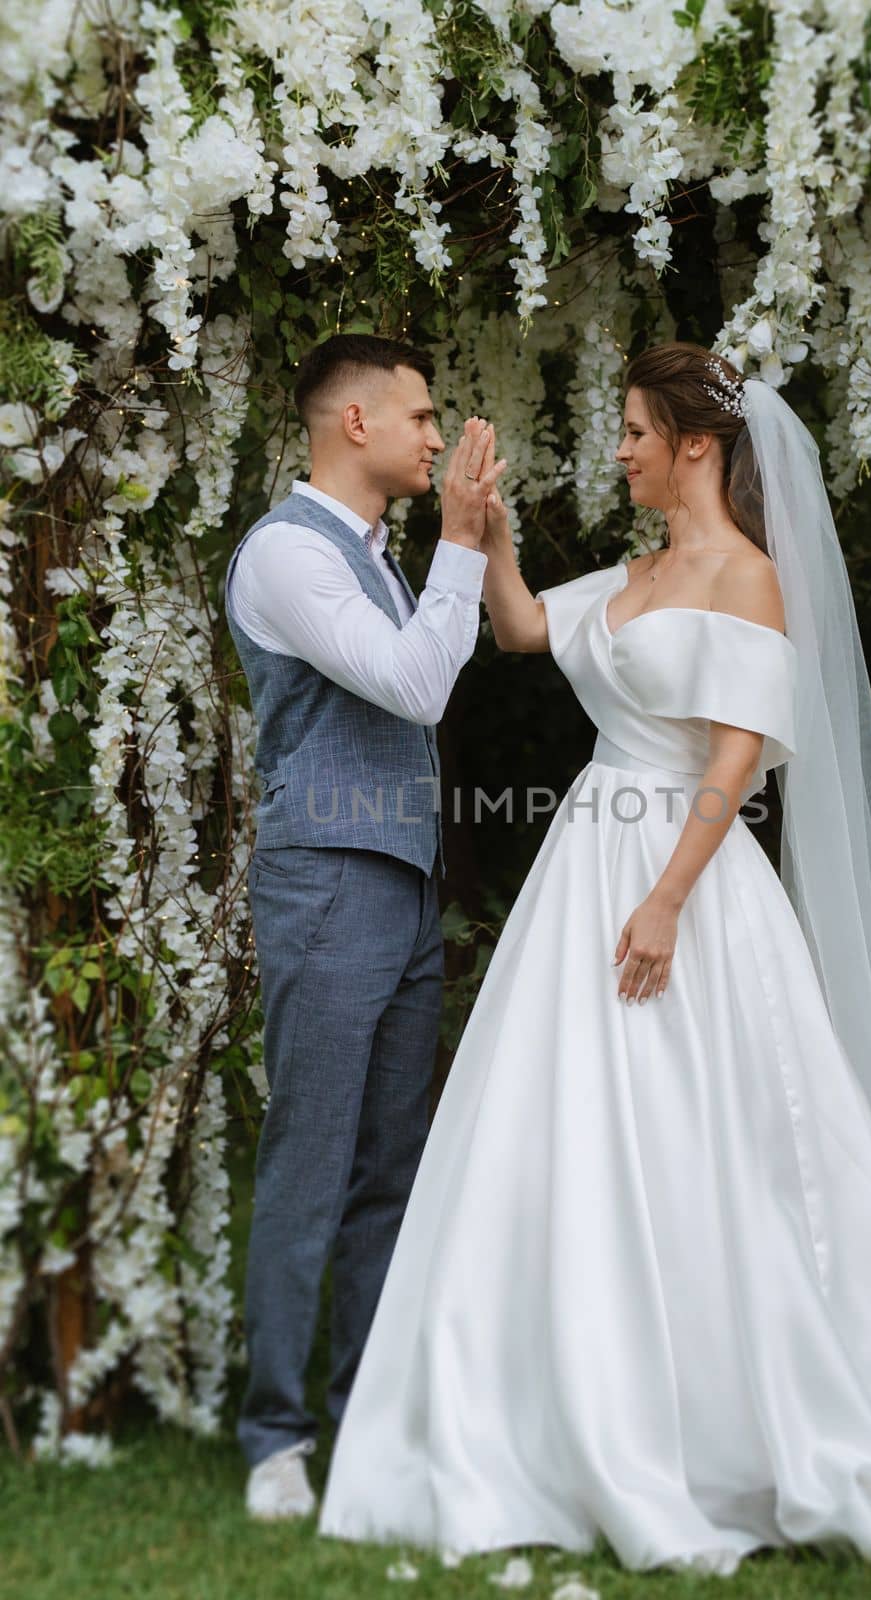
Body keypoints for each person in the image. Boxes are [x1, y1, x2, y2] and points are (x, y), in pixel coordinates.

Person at [317, 342, 871, 1590]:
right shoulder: (639, 570)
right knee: (567, 1129)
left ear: (696, 447)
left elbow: (732, 759)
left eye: (631, 431)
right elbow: (516, 631)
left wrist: (667, 897)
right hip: (584, 872)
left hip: (685, 882)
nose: (616, 449)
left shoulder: (747, 580)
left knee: (711, 1132)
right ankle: (565, 1408)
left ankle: (734, 1413)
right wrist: (486, 535)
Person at [224, 333, 504, 1518]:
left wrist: (461, 551)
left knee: (391, 1167)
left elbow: (435, 657)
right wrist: (457, 544)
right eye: (423, 416)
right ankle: (274, 1437)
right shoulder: (292, 555)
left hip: (398, 883)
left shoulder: (377, 559)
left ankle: (370, 1420)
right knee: (313, 1156)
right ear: (355, 423)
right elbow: (414, 685)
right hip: (327, 879)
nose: (436, 436)